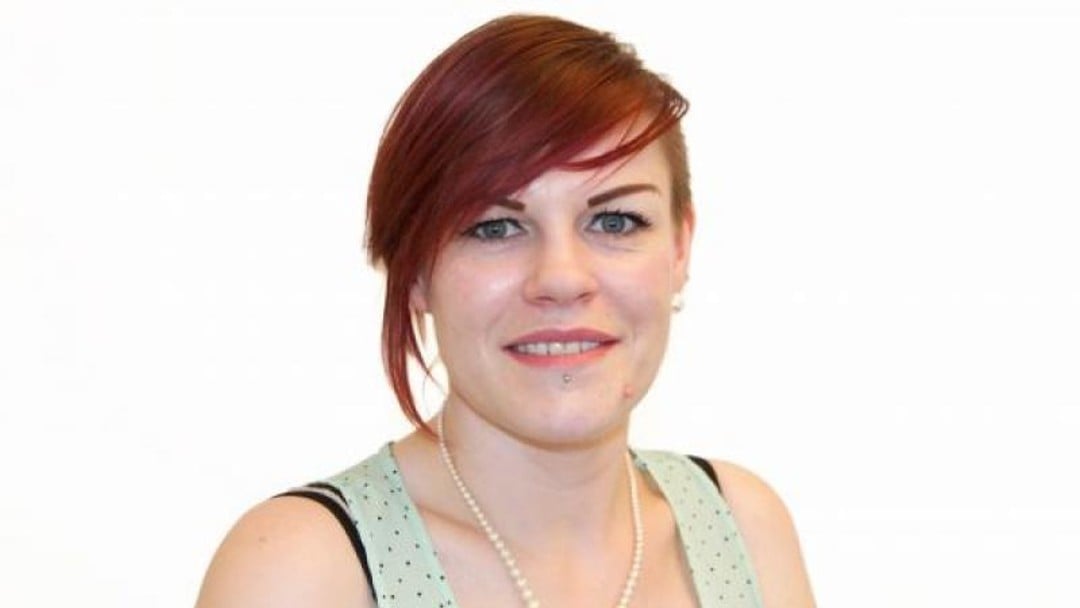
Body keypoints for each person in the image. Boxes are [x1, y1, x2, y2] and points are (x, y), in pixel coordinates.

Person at [196, 14, 815, 608]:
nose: (562, 278)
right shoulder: (303, 568)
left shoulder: (741, 527)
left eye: (615, 221)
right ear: (414, 270)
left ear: (680, 247)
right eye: (494, 227)